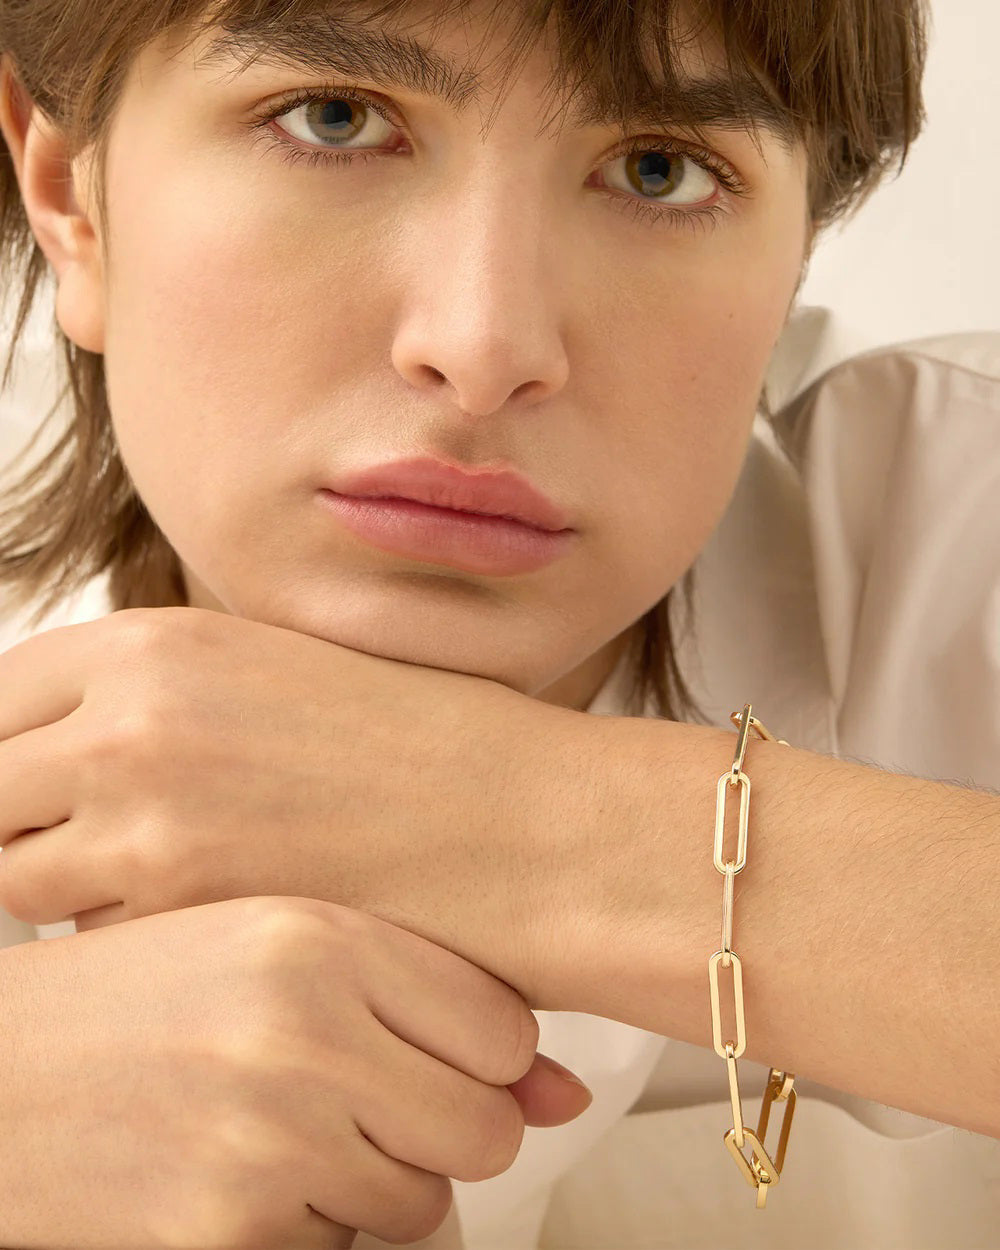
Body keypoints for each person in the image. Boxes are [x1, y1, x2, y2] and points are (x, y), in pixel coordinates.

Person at [1, 0, 998, 1247]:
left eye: (658, 171)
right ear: (68, 197)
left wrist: (517, 824)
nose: (483, 348)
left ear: (794, 259)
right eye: (336, 119)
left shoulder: (959, 537)